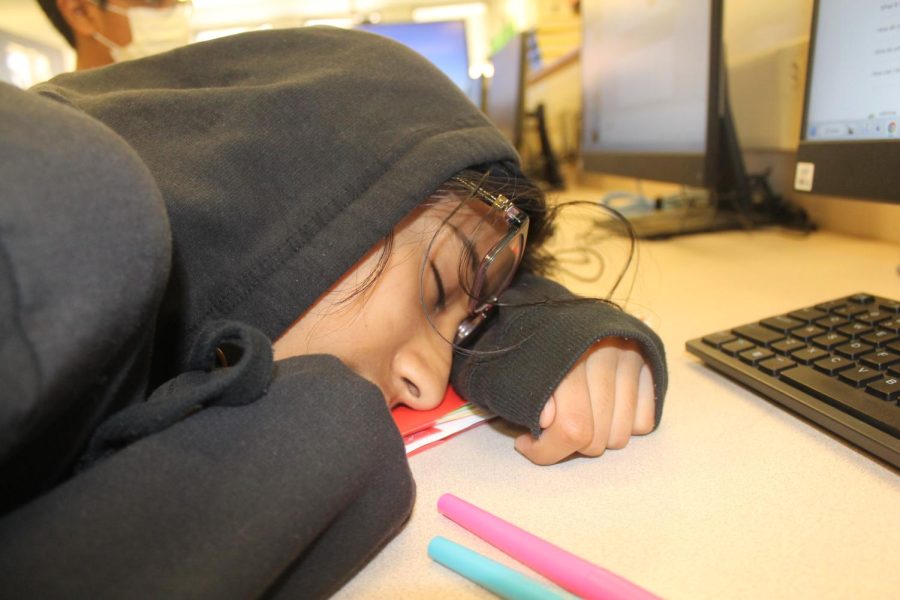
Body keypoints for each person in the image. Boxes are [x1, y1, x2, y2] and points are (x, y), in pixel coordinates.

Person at [0, 27, 667, 598]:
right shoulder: (58, 217)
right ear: (285, 191)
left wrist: (537, 329)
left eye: (462, 320)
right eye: (437, 288)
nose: (429, 384)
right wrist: (324, 428)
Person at [36, 0, 192, 70]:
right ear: (81, 13)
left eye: (179, 1)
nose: (172, 13)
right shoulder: (53, 129)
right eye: (152, 1)